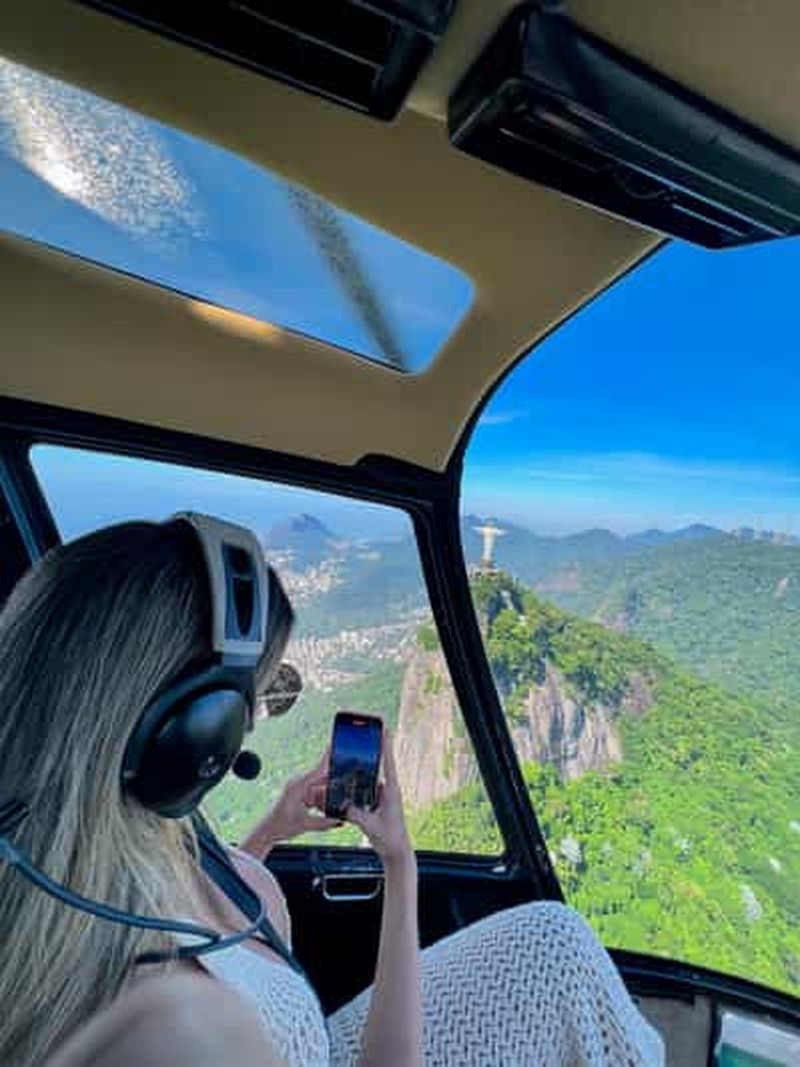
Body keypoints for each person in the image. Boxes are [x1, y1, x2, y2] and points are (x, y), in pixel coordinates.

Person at [0, 519, 664, 1067]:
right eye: (249, 700)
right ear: (181, 730)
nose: (253, 722)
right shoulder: (181, 1030)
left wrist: (269, 832)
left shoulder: (126, 851)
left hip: (314, 1043)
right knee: (557, 942)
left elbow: (211, 920)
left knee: (551, 937)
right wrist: (398, 862)